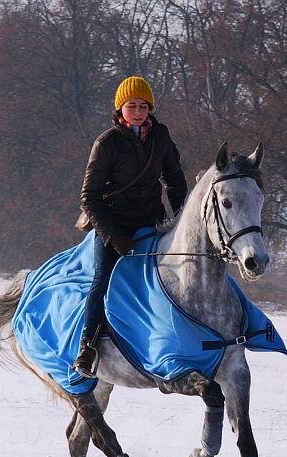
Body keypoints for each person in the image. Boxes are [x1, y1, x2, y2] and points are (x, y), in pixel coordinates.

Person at [73, 75, 188, 378]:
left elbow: (174, 180)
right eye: (131, 105)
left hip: (151, 219)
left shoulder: (161, 135)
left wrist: (183, 218)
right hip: (113, 223)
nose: (137, 111)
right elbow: (89, 197)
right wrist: (113, 237)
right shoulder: (107, 143)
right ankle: (88, 347)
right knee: (104, 277)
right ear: (120, 109)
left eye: (143, 106)